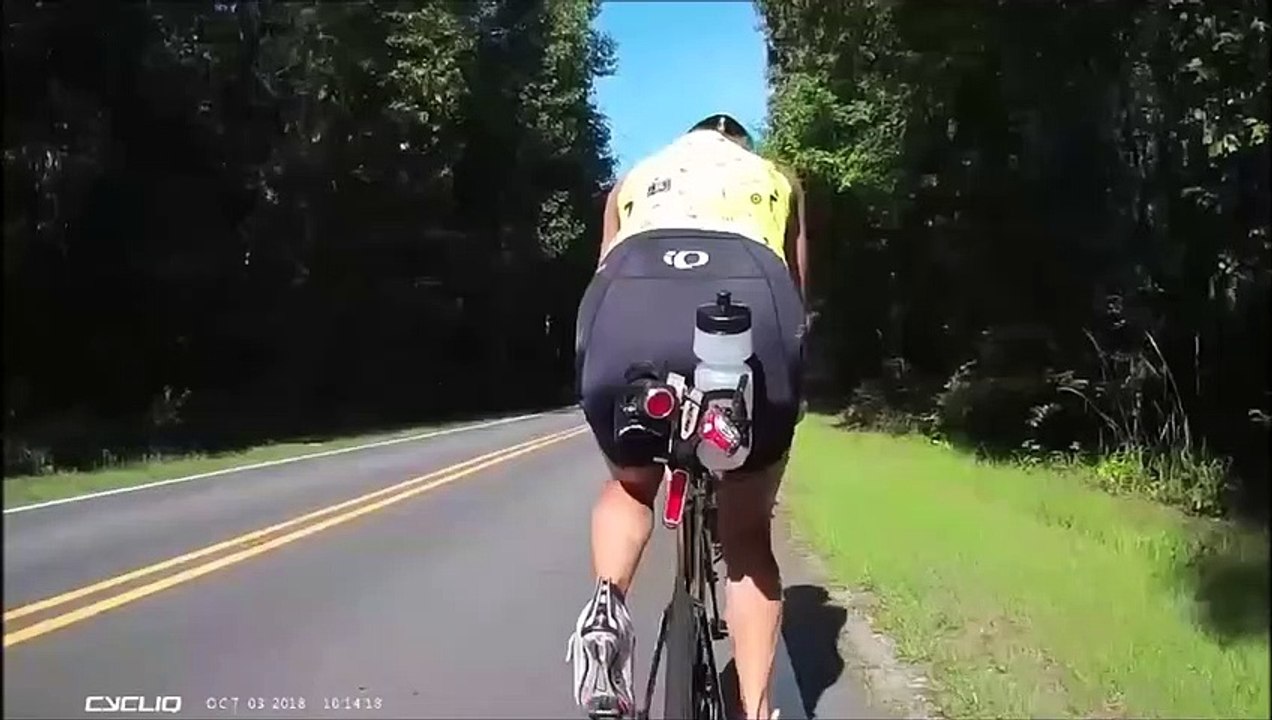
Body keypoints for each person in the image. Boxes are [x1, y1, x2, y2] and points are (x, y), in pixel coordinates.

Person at [565, 113, 808, 720]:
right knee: (747, 533)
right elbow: (800, 292)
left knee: (631, 484)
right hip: (748, 306)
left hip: (631, 302)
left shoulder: (634, 181)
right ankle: (756, 711)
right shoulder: (777, 179)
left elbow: (601, 272)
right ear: (739, 147)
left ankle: (606, 606)